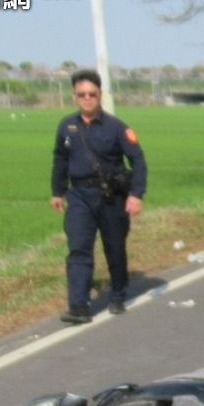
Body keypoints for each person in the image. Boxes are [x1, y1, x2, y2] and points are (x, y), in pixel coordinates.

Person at [51, 70, 147, 324]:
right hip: (79, 195)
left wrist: (136, 195)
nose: (87, 98)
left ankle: (117, 293)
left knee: (114, 247)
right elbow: (60, 159)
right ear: (74, 96)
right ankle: (79, 306)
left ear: (100, 95)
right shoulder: (67, 126)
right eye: (81, 94)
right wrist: (57, 191)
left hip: (110, 197)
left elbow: (137, 160)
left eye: (91, 94)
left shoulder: (117, 128)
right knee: (79, 248)